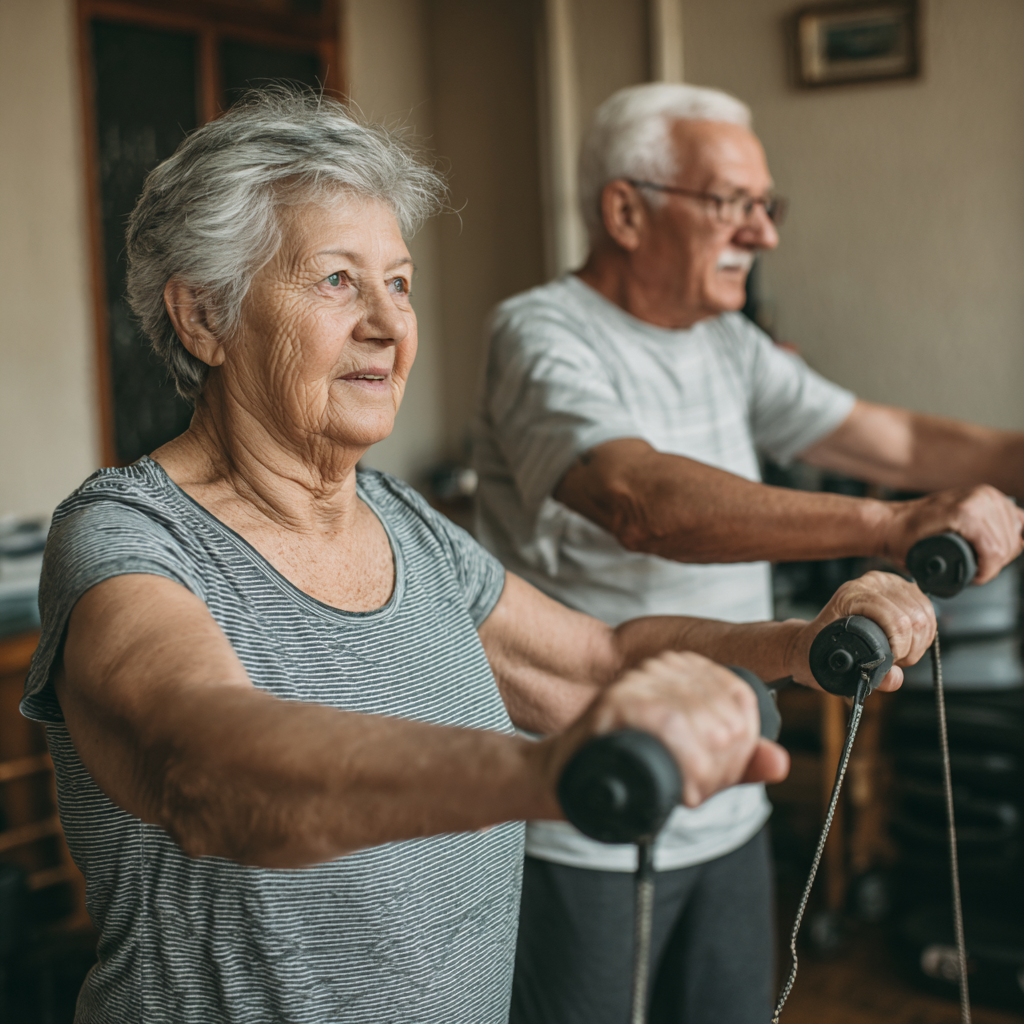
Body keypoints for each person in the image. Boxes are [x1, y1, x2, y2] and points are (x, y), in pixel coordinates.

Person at [20, 87, 939, 1023]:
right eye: (337, 280)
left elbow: (601, 665)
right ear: (203, 318)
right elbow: (203, 765)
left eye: (400, 282)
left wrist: (794, 644)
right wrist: (543, 778)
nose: (387, 322)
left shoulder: (404, 523)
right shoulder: (130, 537)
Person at [471, 82, 1024, 1024]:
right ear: (624, 210)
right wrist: (889, 526)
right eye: (734, 204)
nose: (764, 234)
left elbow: (885, 439)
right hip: (580, 817)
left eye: (767, 207)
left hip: (731, 791)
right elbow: (639, 500)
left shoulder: (727, 342)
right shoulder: (541, 333)